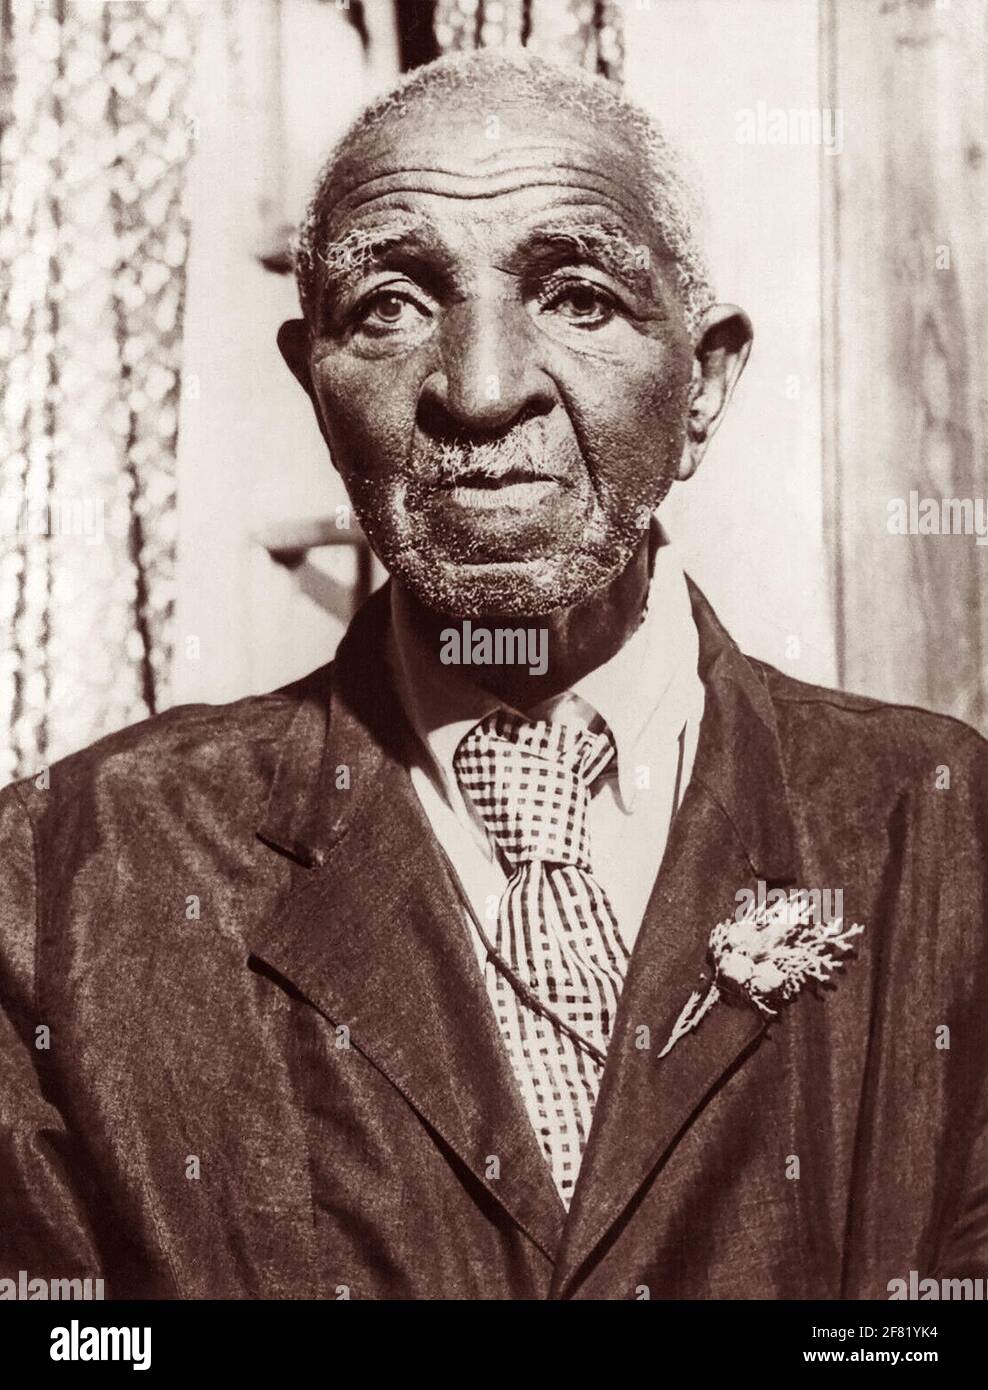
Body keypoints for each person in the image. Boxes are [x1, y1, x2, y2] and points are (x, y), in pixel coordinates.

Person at [1, 50, 985, 1301]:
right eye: (391, 306)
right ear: (313, 381)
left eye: (577, 297)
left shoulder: (946, 830)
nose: (478, 389)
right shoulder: (66, 875)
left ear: (706, 380)